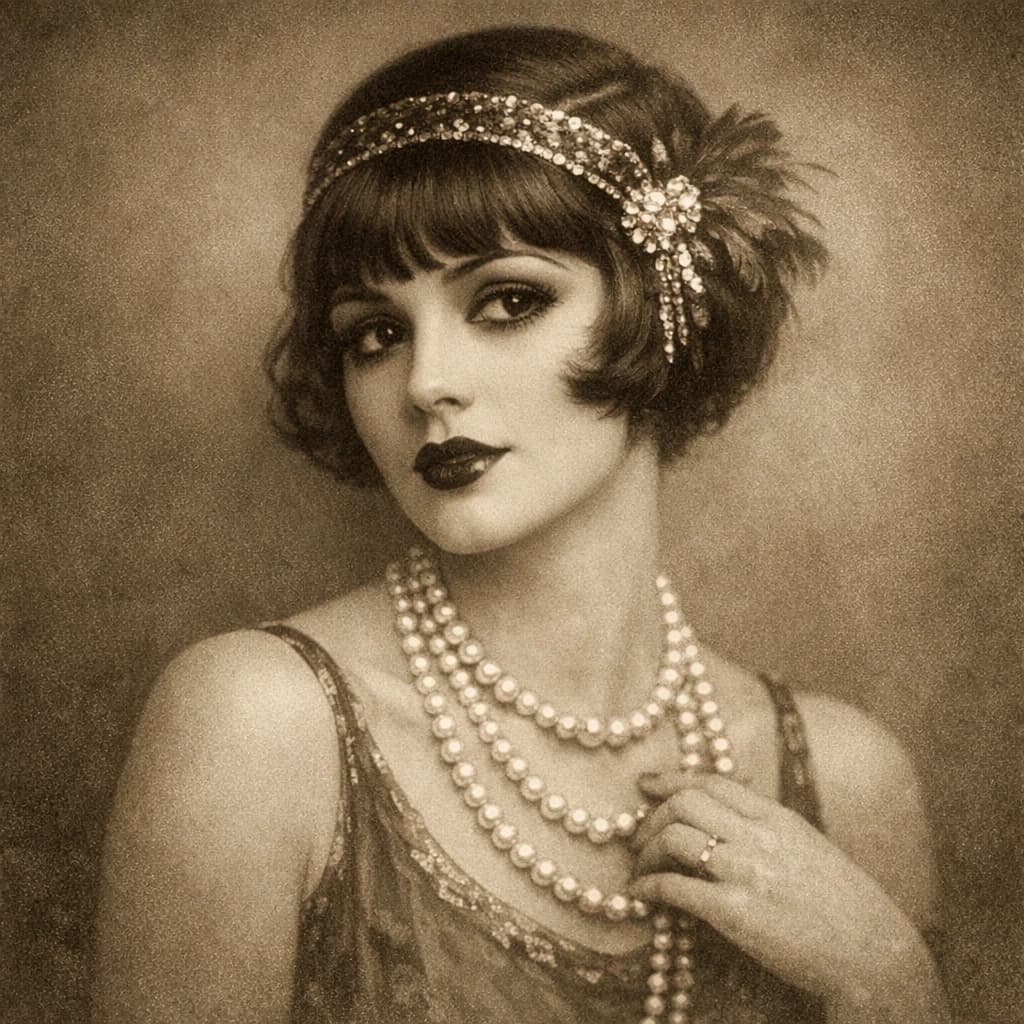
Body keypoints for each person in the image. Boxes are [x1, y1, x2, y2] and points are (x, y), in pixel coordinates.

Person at [92, 25, 950, 1024]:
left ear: (661, 305)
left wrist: (887, 983)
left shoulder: (850, 780)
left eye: (506, 300)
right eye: (374, 333)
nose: (426, 383)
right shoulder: (254, 725)